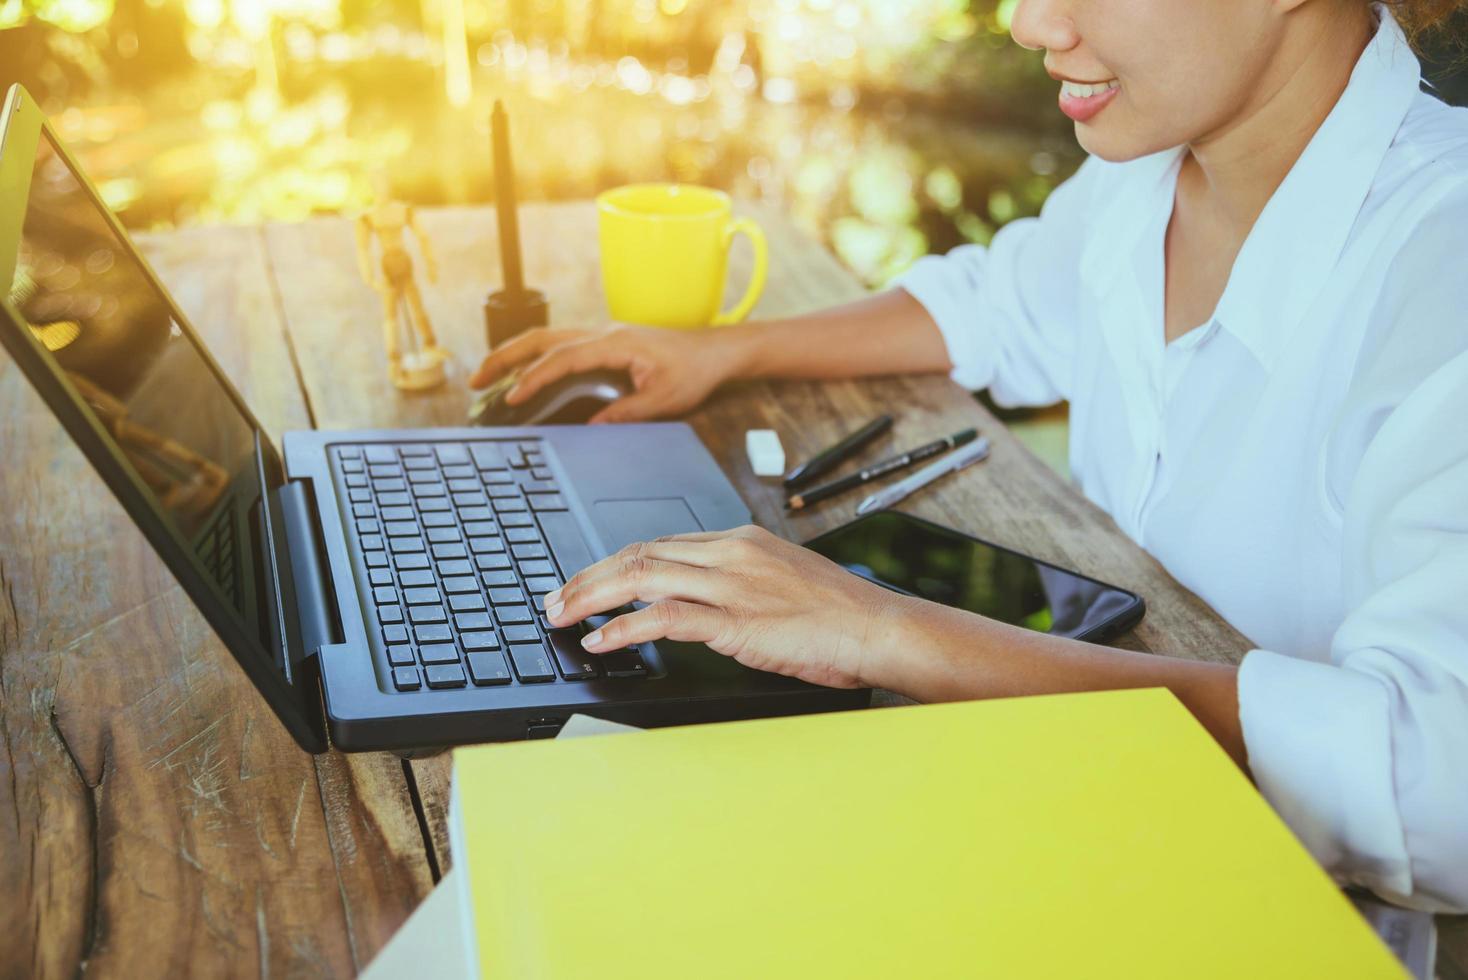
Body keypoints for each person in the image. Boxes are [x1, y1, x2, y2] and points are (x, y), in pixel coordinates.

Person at [472, 1, 1468, 911]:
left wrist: (886, 629)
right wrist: (725, 349)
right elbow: (1004, 298)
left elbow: (1437, 783)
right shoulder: (1147, 169)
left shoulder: (1442, 259)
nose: (1030, 23)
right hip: (1061, 800)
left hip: (1259, 905)